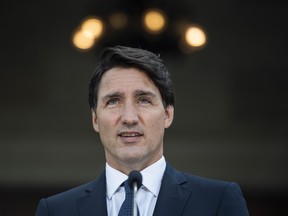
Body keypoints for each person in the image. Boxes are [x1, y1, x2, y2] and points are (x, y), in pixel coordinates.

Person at [35, 45, 249, 216]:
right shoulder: (56, 211)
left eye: (144, 100)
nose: (129, 118)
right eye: (113, 101)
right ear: (95, 119)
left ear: (167, 114)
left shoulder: (218, 202)